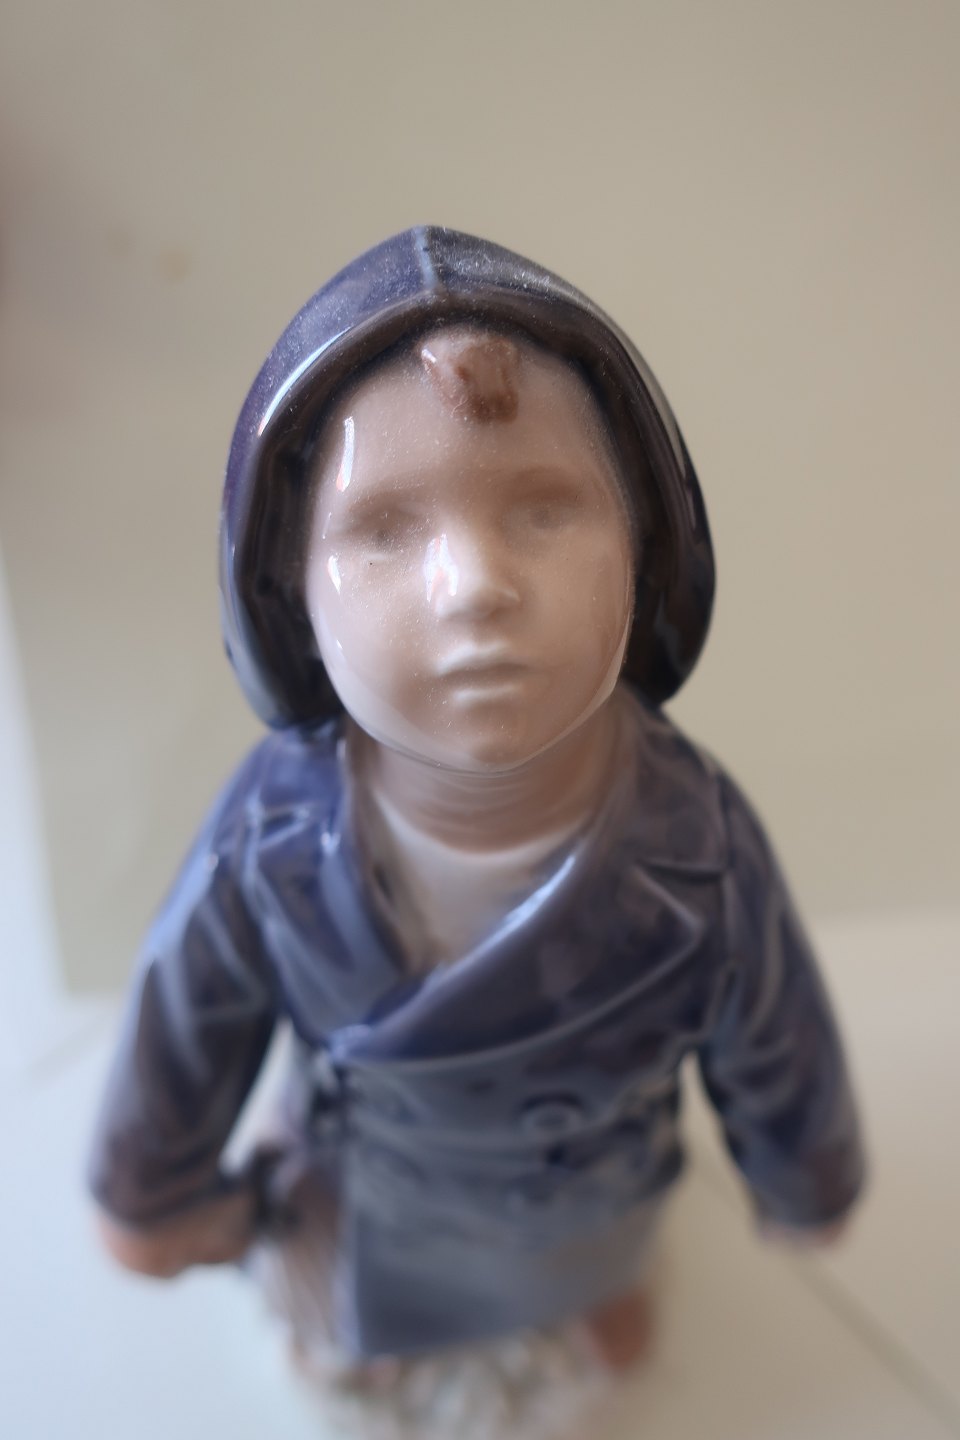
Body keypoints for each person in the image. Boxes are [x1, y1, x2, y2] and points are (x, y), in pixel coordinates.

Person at [88, 228, 864, 1379]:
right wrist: (152, 1190)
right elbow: (186, 1017)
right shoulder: (274, 836)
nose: (477, 587)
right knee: (356, 1304)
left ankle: (584, 1290)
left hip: (587, 1198)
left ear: (643, 544)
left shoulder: (694, 841)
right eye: (386, 530)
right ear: (288, 588)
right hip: (373, 1205)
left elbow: (774, 1027)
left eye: (545, 511)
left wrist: (804, 1176)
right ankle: (387, 1321)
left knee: (595, 1276)